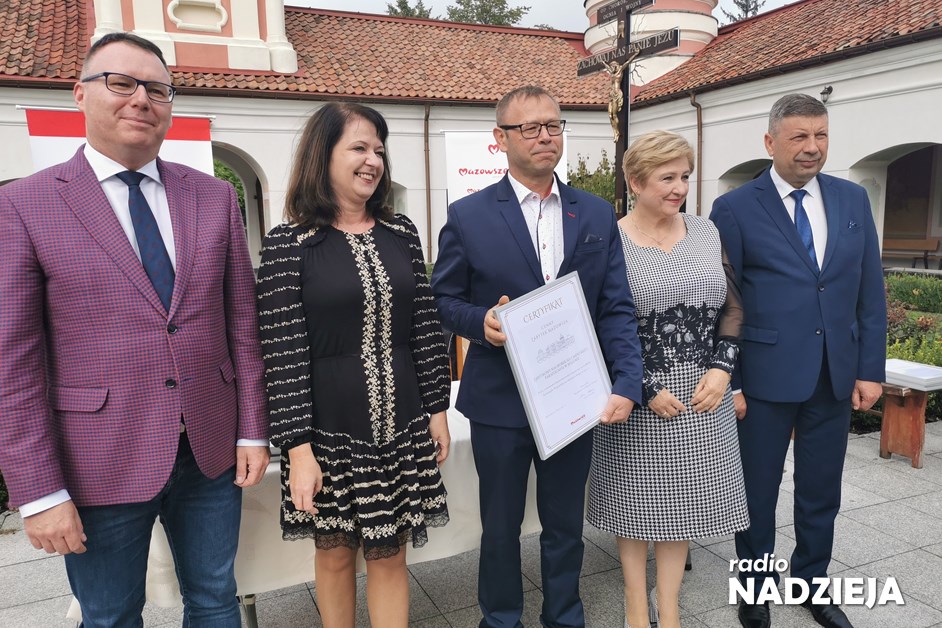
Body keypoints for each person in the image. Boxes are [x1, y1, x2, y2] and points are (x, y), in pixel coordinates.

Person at [0, 32, 269, 626]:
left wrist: (253, 429)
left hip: (210, 451)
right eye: (120, 83)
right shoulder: (25, 205)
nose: (141, 99)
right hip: (99, 458)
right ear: (80, 94)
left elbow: (241, 328)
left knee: (216, 600)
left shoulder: (214, 197)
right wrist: (39, 491)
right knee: (110, 616)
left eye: (157, 89)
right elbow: (12, 364)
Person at [431, 85, 644, 628]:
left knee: (565, 525)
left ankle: (564, 616)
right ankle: (501, 619)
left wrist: (627, 382)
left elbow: (615, 306)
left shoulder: (594, 213)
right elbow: (442, 300)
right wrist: (480, 322)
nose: (545, 136)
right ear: (501, 138)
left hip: (574, 396)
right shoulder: (469, 215)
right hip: (500, 400)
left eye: (553, 125)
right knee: (500, 526)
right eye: (530, 127)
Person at [256, 102, 451, 628]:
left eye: (379, 151)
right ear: (323, 156)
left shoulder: (401, 231)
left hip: (403, 423)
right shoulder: (288, 243)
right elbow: (281, 352)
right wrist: (297, 448)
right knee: (336, 555)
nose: (373, 162)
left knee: (391, 555)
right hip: (327, 432)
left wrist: (437, 409)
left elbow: (424, 325)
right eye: (359, 148)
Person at [711, 93, 886, 628]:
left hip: (834, 374)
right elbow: (725, 299)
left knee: (821, 490)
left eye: (821, 135)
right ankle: (755, 590)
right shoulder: (735, 208)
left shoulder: (853, 200)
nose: (813, 147)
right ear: (770, 142)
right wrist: (732, 380)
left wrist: (870, 369)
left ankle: (812, 582)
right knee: (756, 493)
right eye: (800, 137)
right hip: (762, 379)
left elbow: (869, 291)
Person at [588, 131, 750, 628]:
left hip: (703, 395)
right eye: (667, 178)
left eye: (685, 176)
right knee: (635, 505)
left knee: (683, 506)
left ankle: (671, 604)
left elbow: (733, 307)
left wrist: (723, 370)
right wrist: (639, 390)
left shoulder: (706, 231)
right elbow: (596, 323)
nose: (680, 187)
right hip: (637, 395)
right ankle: (636, 602)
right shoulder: (609, 239)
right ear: (636, 182)